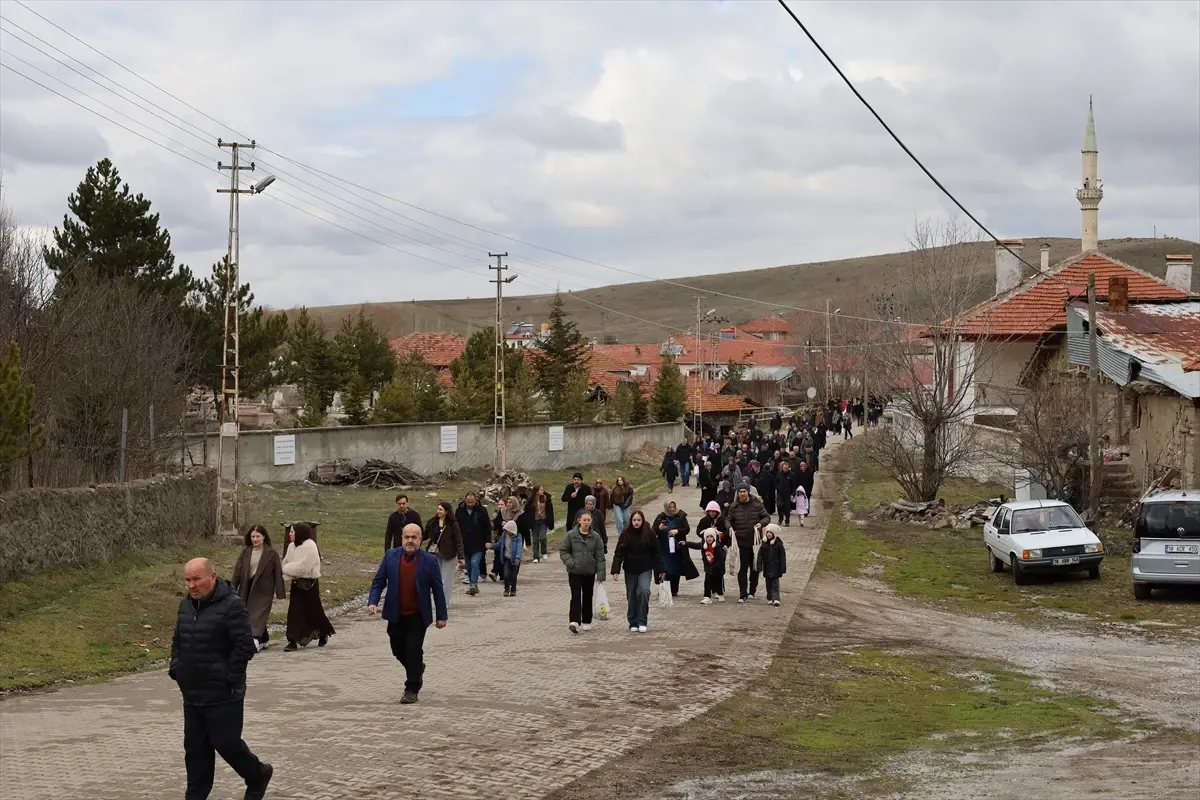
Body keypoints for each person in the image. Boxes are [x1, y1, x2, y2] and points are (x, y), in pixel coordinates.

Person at [170, 558, 273, 800]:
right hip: (193, 693)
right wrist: (177, 668)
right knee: (195, 750)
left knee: (226, 743)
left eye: (197, 579)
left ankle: (258, 774)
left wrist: (230, 677)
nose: (192, 585)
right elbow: (178, 641)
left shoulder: (232, 605)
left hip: (224, 694)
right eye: (188, 580)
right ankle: (195, 796)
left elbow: (244, 646)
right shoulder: (185, 606)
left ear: (212, 577)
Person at [367, 523, 448, 704]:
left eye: (414, 537)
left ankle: (411, 688)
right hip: (395, 614)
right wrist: (373, 601)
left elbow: (438, 589)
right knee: (397, 650)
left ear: (420, 539)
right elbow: (378, 581)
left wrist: (442, 615)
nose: (410, 541)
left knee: (412, 649)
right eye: (407, 537)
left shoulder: (429, 560)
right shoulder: (391, 556)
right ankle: (417, 667)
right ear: (402, 538)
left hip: (418, 615)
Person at [281, 522, 335, 650]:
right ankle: (292, 640)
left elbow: (303, 567)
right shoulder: (291, 547)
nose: (290, 534)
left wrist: (287, 569)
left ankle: (323, 632)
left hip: (309, 585)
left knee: (314, 611)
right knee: (294, 612)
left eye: (292, 532)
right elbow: (286, 561)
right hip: (296, 584)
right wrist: (287, 571)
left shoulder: (310, 546)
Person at [231, 525, 286, 651]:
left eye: (258, 536)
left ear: (264, 537)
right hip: (246, 587)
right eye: (253, 536)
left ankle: (254, 639)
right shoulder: (246, 552)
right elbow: (237, 573)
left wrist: (280, 592)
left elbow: (278, 573)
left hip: (264, 590)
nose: (255, 539)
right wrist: (232, 588)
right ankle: (264, 638)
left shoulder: (271, 553)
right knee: (247, 613)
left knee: (257, 614)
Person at [610, 510, 663, 633]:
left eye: (639, 520)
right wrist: (615, 570)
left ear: (642, 521)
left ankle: (642, 621)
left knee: (644, 591)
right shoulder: (626, 534)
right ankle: (633, 621)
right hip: (630, 569)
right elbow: (619, 553)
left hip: (645, 568)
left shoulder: (649, 533)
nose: (636, 522)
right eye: (634, 520)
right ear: (631, 521)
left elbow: (657, 553)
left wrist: (661, 569)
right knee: (632, 595)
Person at [559, 509, 606, 634]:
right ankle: (574, 621)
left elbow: (600, 557)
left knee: (587, 595)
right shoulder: (571, 535)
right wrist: (571, 563)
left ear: (591, 521)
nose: (586, 522)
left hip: (589, 572)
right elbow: (563, 551)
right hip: (574, 571)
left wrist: (601, 574)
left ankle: (586, 620)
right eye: (584, 520)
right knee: (575, 596)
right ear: (579, 521)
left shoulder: (595, 537)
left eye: (588, 520)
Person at [725, 484, 770, 602]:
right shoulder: (734, 507)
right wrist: (729, 527)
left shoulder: (757, 504)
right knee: (742, 569)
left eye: (744, 491)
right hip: (741, 542)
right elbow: (728, 520)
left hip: (755, 542)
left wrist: (760, 524)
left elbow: (766, 517)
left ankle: (752, 591)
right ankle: (743, 593)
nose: (742, 494)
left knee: (755, 568)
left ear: (748, 492)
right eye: (740, 492)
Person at [423, 501, 464, 609]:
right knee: (436, 578)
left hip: (449, 554)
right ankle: (435, 601)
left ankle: (443, 603)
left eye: (440, 509)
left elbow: (458, 540)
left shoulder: (453, 524)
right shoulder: (433, 522)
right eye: (437, 509)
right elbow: (425, 535)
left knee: (446, 580)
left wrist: (461, 556)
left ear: (446, 511)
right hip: (434, 553)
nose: (438, 511)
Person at [652, 500, 697, 598]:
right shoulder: (661, 517)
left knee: (676, 568)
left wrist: (677, 531)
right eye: (670, 507)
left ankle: (674, 589)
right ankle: (663, 589)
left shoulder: (681, 516)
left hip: (677, 547)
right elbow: (653, 531)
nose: (672, 509)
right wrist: (659, 528)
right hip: (664, 547)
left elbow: (687, 529)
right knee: (664, 569)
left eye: (673, 507)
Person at [457, 492, 491, 596]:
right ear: (465, 500)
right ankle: (472, 584)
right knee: (469, 565)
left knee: (475, 562)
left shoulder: (482, 510)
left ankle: (473, 584)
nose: (470, 504)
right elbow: (455, 526)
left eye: (472, 502)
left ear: (475, 500)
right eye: (468, 502)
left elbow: (487, 527)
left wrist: (488, 540)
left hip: (478, 542)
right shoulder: (459, 511)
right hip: (465, 542)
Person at [687, 528, 727, 604]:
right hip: (709, 568)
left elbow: (721, 560)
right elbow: (695, 545)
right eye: (707, 537)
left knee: (718, 582)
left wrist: (715, 567)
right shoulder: (704, 546)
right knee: (707, 582)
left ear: (714, 538)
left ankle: (720, 594)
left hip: (718, 569)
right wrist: (686, 543)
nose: (709, 539)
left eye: (711, 537)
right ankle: (707, 597)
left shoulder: (718, 547)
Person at [756, 524, 787, 606]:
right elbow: (760, 556)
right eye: (767, 532)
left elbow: (782, 557)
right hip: (767, 566)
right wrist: (759, 566)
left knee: (775, 583)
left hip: (776, 567)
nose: (768, 534)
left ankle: (776, 598)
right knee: (768, 583)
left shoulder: (778, 545)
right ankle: (769, 597)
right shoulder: (764, 544)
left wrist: (782, 567)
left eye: (770, 532)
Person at [525, 485, 555, 563]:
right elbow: (527, 511)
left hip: (543, 521)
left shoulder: (546, 499)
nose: (543, 491)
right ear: (537, 491)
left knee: (542, 537)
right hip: (534, 522)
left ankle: (544, 552)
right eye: (541, 490)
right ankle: (536, 557)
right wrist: (527, 521)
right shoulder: (531, 500)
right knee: (535, 540)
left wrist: (551, 522)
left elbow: (550, 511)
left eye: (543, 490)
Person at [496, 519, 525, 596]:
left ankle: (513, 589)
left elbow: (519, 549)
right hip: (506, 558)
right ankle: (506, 588)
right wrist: (492, 546)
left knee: (513, 575)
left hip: (514, 559)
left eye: (509, 530)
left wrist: (518, 558)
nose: (508, 532)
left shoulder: (518, 537)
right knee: (505, 574)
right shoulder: (504, 536)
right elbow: (499, 544)